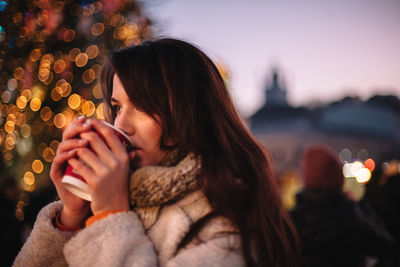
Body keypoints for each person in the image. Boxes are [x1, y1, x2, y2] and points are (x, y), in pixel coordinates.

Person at [14, 38, 299, 267]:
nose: (120, 124)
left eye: (141, 106)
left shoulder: (228, 227)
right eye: (117, 107)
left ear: (186, 115)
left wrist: (110, 217)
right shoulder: (119, 199)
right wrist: (70, 218)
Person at [290, 145, 394, 267]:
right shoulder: (350, 216)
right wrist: (361, 206)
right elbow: (385, 247)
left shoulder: (292, 220)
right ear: (338, 178)